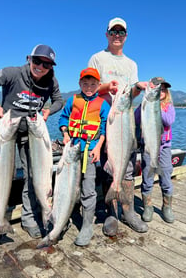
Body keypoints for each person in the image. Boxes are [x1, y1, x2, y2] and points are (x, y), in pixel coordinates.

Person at [0, 44, 63, 253]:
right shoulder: (13, 73)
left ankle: (29, 220)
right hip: (5, 135)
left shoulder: (51, 81)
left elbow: (59, 100)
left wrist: (49, 110)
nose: (41, 66)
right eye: (38, 61)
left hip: (30, 134)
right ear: (29, 59)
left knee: (33, 177)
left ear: (51, 67)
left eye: (47, 64)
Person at [88, 17, 148, 236]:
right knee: (107, 167)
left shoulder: (131, 64)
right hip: (103, 119)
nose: (117, 35)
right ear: (107, 34)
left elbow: (130, 93)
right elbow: (90, 87)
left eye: (121, 32)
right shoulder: (97, 58)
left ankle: (129, 211)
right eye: (113, 32)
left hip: (125, 120)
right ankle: (112, 214)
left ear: (126, 36)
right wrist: (106, 86)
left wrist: (138, 88)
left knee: (128, 168)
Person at [58, 67, 110, 246]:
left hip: (90, 151)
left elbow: (104, 129)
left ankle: (87, 225)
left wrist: (99, 148)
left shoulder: (103, 104)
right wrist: (65, 133)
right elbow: (63, 119)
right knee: (68, 187)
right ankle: (63, 218)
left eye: (93, 84)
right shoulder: (73, 100)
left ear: (98, 85)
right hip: (72, 150)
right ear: (80, 83)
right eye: (85, 83)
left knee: (88, 188)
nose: (89, 87)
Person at [135, 77, 176, 223]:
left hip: (164, 148)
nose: (160, 92)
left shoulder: (168, 107)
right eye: (158, 89)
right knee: (147, 176)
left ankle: (167, 207)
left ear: (166, 92)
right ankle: (148, 206)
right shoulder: (145, 104)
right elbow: (136, 118)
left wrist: (156, 107)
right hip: (147, 147)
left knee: (165, 175)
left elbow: (168, 121)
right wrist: (145, 105)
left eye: (163, 89)